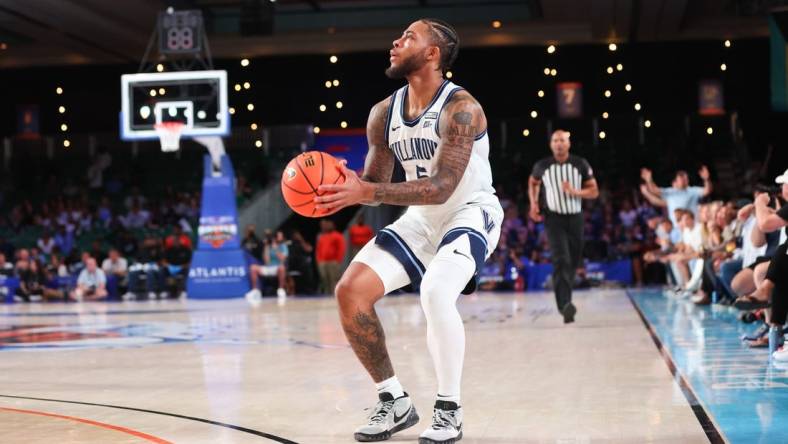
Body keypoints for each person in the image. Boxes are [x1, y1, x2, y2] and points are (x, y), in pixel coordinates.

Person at [313, 19, 502, 443]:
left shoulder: (462, 108)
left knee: (436, 292)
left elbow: (442, 187)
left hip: (469, 212)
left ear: (433, 53)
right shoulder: (383, 113)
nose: (396, 42)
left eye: (409, 38)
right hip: (421, 219)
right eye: (398, 36)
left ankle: (449, 409)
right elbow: (376, 182)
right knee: (350, 291)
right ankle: (393, 400)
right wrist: (347, 189)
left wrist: (369, 189)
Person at [528, 130, 599, 323]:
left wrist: (574, 191)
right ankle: (564, 305)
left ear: (569, 144)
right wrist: (534, 203)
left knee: (573, 261)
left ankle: (566, 301)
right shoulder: (542, 165)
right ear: (551, 145)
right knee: (561, 259)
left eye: (562, 140)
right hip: (553, 218)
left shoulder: (580, 164)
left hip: (575, 217)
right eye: (555, 140)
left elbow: (594, 191)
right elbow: (533, 182)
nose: (559, 144)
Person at [640, 166, 712, 225]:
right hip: (677, 227)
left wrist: (707, 179)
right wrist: (649, 180)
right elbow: (654, 190)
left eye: (686, 178)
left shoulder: (693, 190)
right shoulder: (671, 192)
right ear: (676, 182)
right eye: (681, 178)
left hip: (692, 224)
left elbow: (707, 190)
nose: (685, 180)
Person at [245, 230, 289, 300]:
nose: (279, 238)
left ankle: (281, 289)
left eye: (281, 236)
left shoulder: (283, 246)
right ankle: (255, 290)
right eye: (278, 236)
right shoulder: (268, 246)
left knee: (282, 268)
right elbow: (267, 261)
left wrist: (276, 249)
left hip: (277, 268)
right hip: (268, 267)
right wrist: (266, 247)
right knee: (253, 268)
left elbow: (282, 259)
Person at [315, 219, 346, 295]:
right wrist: (319, 261)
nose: (327, 226)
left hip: (333, 262)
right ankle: (327, 296)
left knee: (334, 280)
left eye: (329, 224)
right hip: (323, 262)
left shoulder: (338, 236)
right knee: (325, 280)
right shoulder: (322, 237)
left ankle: (334, 296)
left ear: (333, 226)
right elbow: (318, 249)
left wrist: (338, 260)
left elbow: (341, 248)